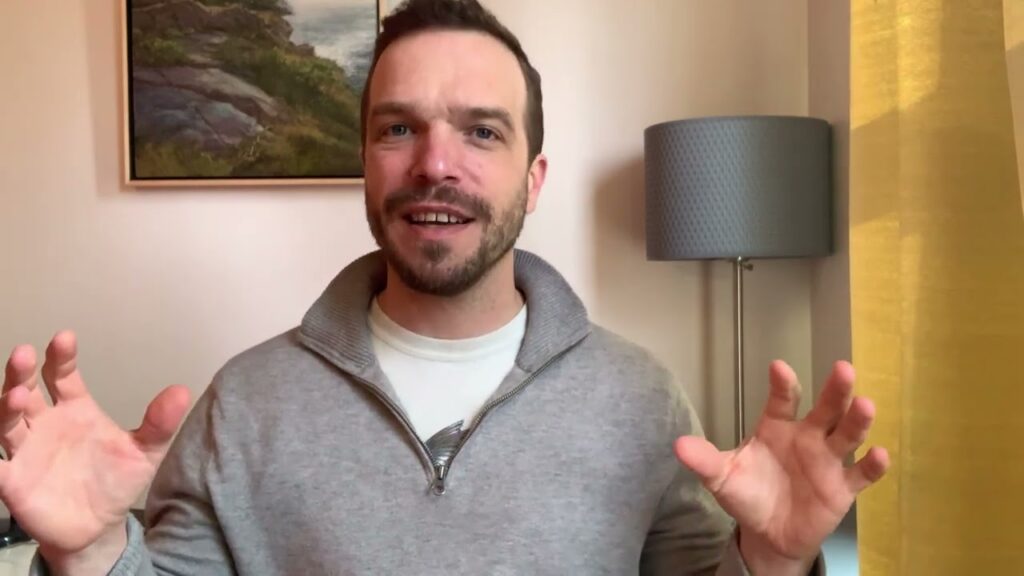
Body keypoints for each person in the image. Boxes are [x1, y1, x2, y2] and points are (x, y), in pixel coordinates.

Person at [1, 1, 889, 574]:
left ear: (534, 179)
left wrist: (771, 563)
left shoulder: (641, 399)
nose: (435, 164)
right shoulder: (247, 404)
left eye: (481, 132)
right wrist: (90, 555)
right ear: (365, 165)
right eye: (399, 127)